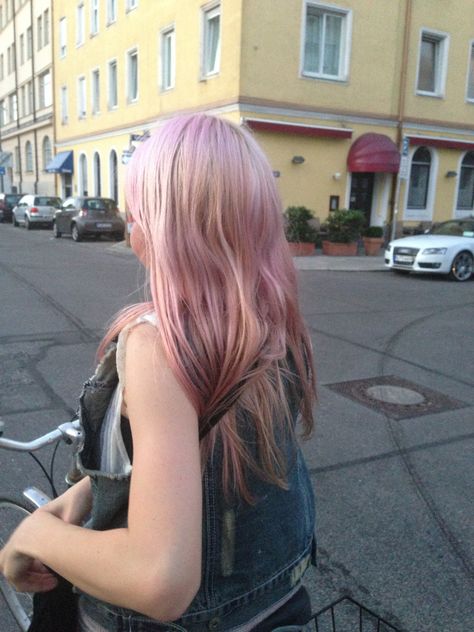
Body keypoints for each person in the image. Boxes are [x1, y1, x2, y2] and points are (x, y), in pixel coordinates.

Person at [0, 114, 316, 631]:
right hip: (275, 609)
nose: (131, 224)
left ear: (162, 228)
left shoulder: (159, 346)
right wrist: (85, 493)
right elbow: (197, 460)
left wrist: (32, 536)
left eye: (138, 210)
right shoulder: (275, 326)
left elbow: (160, 580)